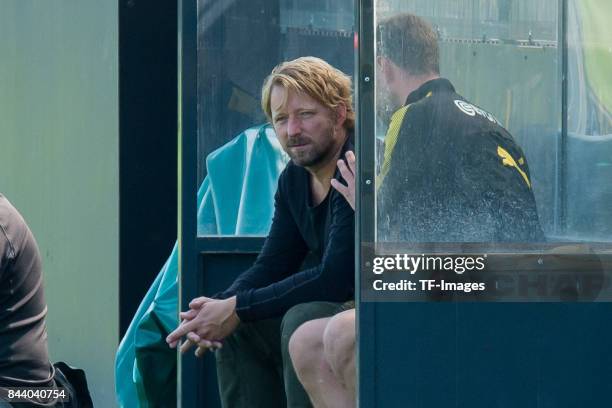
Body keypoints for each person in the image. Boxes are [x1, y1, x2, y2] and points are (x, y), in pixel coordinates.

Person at [288, 12, 544, 407]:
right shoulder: (481, 118)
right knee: (306, 342)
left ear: (385, 67)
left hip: (475, 299)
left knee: (341, 333)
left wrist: (365, 205)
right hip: (507, 294)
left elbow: (396, 237)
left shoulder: (411, 118)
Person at [166, 56, 356, 407]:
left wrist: (237, 306)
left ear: (339, 113)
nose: (292, 130)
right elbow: (273, 262)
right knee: (242, 329)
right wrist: (221, 306)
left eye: (306, 115)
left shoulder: (356, 164)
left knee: (301, 318)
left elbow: (336, 277)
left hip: (373, 309)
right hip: (339, 302)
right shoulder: (295, 179)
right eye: (281, 119)